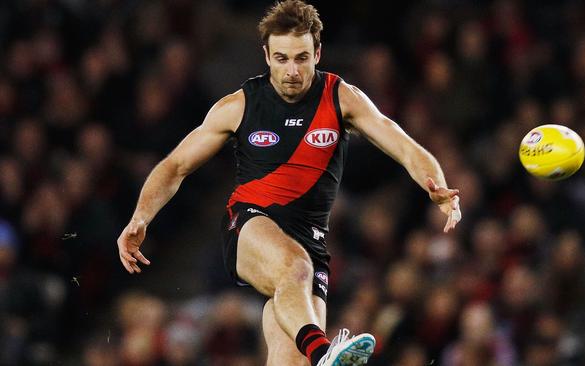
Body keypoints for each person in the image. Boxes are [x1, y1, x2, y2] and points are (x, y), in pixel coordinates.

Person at [116, 1, 461, 365]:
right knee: (294, 272)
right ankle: (325, 353)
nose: (292, 70)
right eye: (282, 59)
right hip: (250, 223)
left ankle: (315, 354)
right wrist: (141, 217)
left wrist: (436, 186)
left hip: (310, 244)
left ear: (318, 53)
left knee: (290, 354)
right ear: (266, 55)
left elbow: (404, 146)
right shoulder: (239, 106)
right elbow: (175, 166)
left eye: (301, 58)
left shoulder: (341, 98)